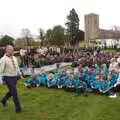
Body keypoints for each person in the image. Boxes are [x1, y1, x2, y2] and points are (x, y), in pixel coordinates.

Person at [0, 45, 22, 113]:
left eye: (12, 49)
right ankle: (18, 109)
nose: (12, 51)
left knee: (12, 91)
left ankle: (3, 100)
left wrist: (20, 74)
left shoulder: (14, 58)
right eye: (10, 49)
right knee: (14, 92)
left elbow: (17, 67)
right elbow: (0, 70)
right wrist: (0, 80)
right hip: (8, 77)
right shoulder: (3, 59)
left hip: (14, 76)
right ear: (6, 50)